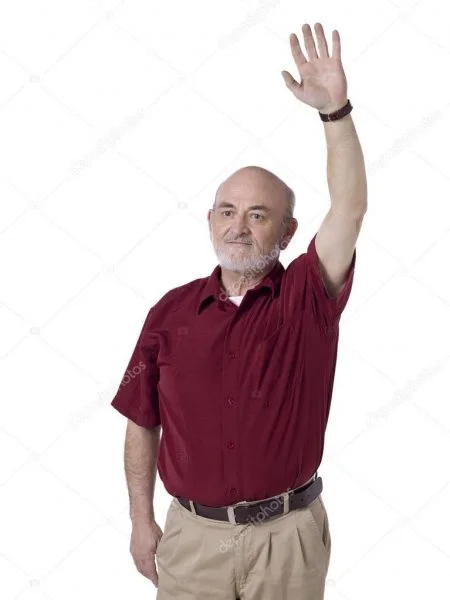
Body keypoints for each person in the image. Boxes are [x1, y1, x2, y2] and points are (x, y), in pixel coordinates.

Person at [111, 21, 367, 600]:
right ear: (210, 220)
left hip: (287, 540)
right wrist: (139, 519)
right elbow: (141, 421)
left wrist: (335, 113)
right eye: (227, 211)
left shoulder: (307, 297)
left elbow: (349, 208)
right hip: (192, 540)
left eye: (258, 215)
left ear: (288, 231)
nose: (239, 226)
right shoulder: (169, 314)